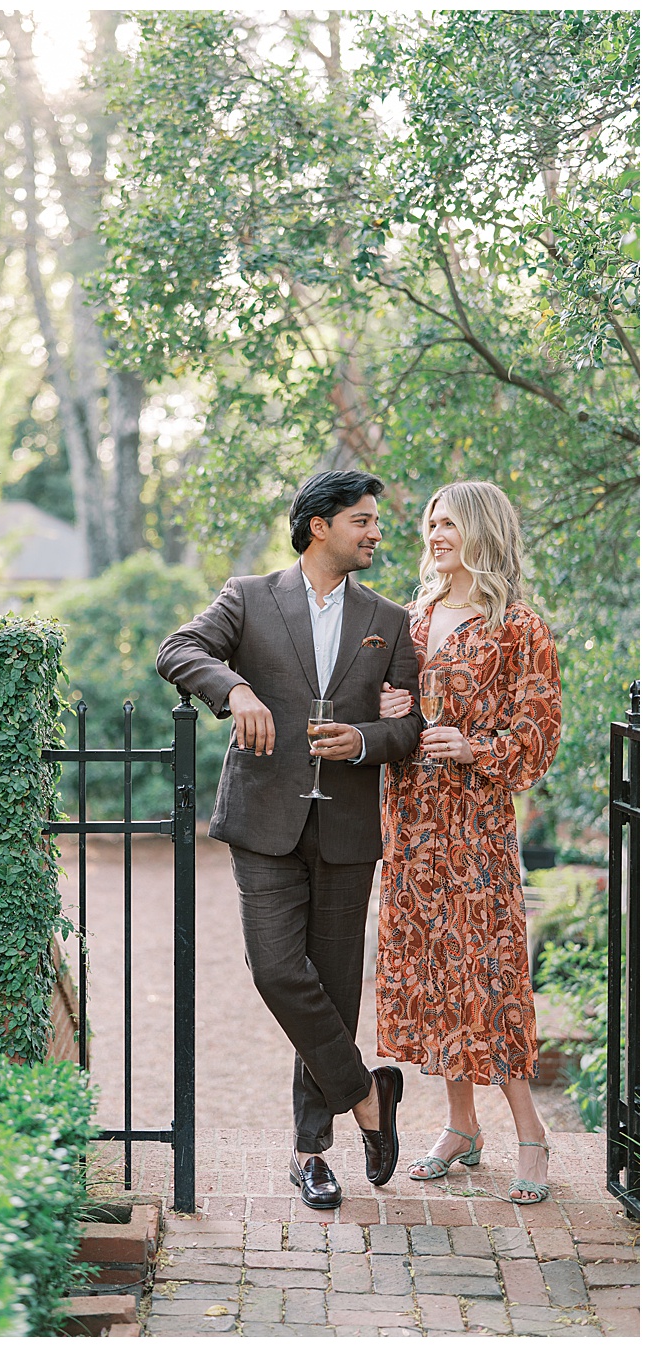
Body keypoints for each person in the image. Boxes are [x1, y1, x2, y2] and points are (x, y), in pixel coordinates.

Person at [156, 470, 421, 1210]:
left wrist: (363, 739)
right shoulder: (247, 596)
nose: (374, 532)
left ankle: (311, 1153)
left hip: (346, 829)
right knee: (276, 970)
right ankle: (368, 1092)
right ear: (319, 526)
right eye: (363, 521)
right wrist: (235, 690)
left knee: (334, 990)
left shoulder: (390, 620)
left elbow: (408, 729)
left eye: (374, 521)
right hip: (264, 818)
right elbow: (177, 650)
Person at [372, 480, 562, 1203]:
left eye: (449, 522)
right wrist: (394, 709)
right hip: (413, 827)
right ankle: (460, 1126)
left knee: (489, 978)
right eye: (431, 521)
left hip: (476, 830)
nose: (435, 533)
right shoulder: (411, 616)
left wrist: (474, 748)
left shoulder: (518, 626)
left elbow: (537, 736)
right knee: (434, 975)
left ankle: (530, 1131)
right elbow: (395, 716)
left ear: (481, 530)